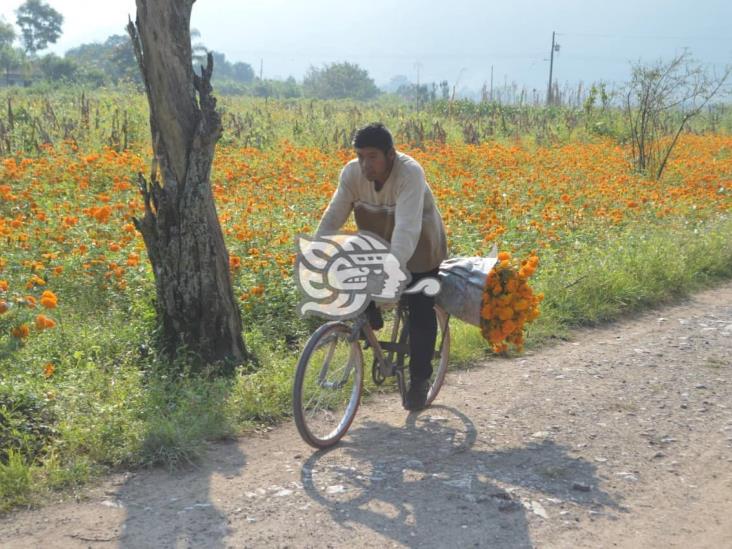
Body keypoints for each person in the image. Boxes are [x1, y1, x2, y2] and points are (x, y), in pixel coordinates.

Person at [315, 123, 448, 410]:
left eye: (372, 156)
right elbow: (334, 214)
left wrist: (391, 269)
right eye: (360, 155)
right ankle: (370, 316)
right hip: (378, 241)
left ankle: (420, 380)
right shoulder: (352, 174)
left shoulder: (409, 173)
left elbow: (407, 230)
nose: (365, 164)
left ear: (390, 154)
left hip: (420, 246)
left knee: (420, 308)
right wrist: (316, 249)